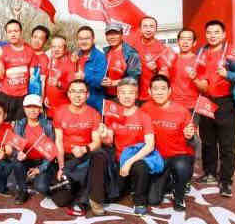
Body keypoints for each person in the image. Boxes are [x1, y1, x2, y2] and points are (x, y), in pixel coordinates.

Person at [196, 20, 235, 198]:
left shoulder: (232, 52)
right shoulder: (202, 51)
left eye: (216, 32)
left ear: (224, 34)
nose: (212, 35)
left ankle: (226, 181)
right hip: (206, 101)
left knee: (226, 144)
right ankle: (210, 173)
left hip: (226, 102)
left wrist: (228, 74)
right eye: (209, 32)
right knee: (208, 141)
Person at [93, 78, 155, 215]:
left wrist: (129, 162)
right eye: (123, 93)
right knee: (112, 196)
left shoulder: (144, 116)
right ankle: (128, 186)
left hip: (137, 158)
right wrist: (103, 134)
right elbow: (109, 141)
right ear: (118, 95)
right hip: (119, 160)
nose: (127, 96)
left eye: (131, 93)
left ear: (136, 95)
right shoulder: (113, 114)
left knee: (141, 166)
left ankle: (139, 202)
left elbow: (150, 145)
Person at [142, 75, 196, 212]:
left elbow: (193, 140)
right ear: (149, 91)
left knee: (181, 167)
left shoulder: (182, 111)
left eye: (163, 89)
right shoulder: (145, 108)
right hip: (157, 158)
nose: (159, 92)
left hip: (179, 155)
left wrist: (189, 136)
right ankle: (170, 181)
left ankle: (179, 195)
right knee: (153, 200)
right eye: (155, 89)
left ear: (169, 91)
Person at [51, 79, 104, 215]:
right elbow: (58, 141)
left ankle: (86, 198)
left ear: (87, 95)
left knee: (99, 156)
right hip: (68, 158)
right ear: (68, 94)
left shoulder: (94, 113)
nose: (77, 95)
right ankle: (78, 185)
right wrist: (61, 167)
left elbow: (97, 142)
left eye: (81, 92)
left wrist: (84, 149)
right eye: (73, 91)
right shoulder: (60, 112)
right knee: (61, 200)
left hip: (86, 155)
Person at [10, 94, 56, 204]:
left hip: (43, 161)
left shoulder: (48, 125)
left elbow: (52, 151)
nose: (32, 110)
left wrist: (40, 169)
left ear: (40, 109)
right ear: (24, 109)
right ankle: (23, 191)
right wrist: (18, 154)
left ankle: (43, 177)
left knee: (41, 187)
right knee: (17, 163)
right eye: (29, 107)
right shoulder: (19, 124)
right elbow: (15, 148)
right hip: (27, 160)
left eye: (35, 107)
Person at [0, 19, 39, 122]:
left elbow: (33, 77)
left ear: (21, 32)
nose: (13, 34)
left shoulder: (30, 51)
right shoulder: (3, 50)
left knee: (20, 126)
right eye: (10, 32)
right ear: (6, 34)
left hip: (23, 96)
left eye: (15, 31)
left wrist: (34, 97)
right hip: (6, 95)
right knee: (4, 124)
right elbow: (0, 75)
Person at [129, 16, 170, 106]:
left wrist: (155, 70)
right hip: (132, 94)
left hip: (151, 96)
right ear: (140, 29)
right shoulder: (132, 45)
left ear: (156, 29)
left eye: (151, 26)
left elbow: (164, 77)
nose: (148, 29)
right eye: (145, 26)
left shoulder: (162, 49)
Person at [170, 28, 208, 111]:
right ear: (178, 42)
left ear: (194, 43)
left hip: (193, 107)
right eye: (182, 39)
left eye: (189, 39)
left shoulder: (199, 62)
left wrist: (195, 79)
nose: (185, 42)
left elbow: (205, 88)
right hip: (173, 106)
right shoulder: (171, 59)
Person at [102, 23, 141, 99]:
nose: (112, 37)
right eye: (109, 34)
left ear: (121, 34)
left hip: (124, 96)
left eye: (115, 33)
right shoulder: (105, 52)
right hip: (106, 96)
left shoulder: (131, 53)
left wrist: (114, 83)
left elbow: (134, 79)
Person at [74, 26, 107, 112]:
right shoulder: (75, 56)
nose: (83, 41)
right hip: (76, 104)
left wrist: (85, 77)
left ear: (93, 39)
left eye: (87, 38)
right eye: (81, 39)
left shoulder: (100, 57)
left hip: (94, 105)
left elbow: (101, 82)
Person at [44, 35, 75, 119]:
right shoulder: (50, 59)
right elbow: (47, 80)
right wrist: (46, 96)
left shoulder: (71, 62)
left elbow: (72, 87)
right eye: (54, 47)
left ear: (65, 48)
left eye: (60, 47)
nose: (56, 49)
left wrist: (59, 84)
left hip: (64, 108)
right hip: (50, 107)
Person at [29, 25, 51, 95]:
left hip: (33, 96)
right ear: (31, 38)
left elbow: (43, 82)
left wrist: (42, 98)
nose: (36, 41)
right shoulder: (24, 52)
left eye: (41, 39)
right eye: (35, 37)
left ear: (45, 41)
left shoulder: (45, 60)